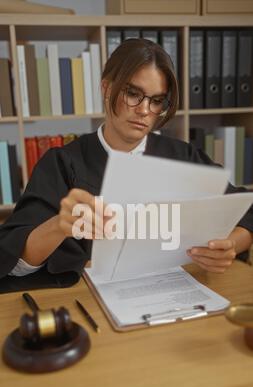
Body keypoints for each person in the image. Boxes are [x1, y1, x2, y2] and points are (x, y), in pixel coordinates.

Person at [0, 38, 252, 292]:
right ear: (107, 88)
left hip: (176, 292)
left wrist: (230, 245)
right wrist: (59, 226)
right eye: (133, 94)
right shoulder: (62, 164)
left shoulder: (182, 157)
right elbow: (15, 263)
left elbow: (245, 209)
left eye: (156, 101)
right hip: (89, 298)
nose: (144, 110)